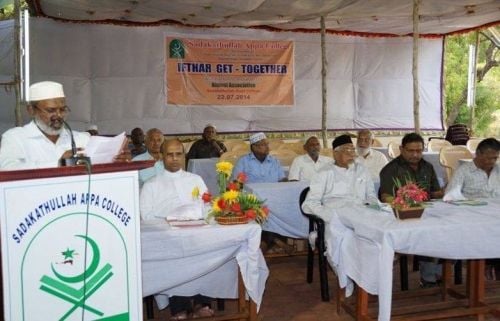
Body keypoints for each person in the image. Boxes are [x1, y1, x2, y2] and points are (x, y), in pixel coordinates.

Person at [140, 139, 213, 320]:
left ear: (184, 156)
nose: (174, 159)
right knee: (175, 257)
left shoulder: (195, 180)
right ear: (161, 158)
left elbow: (207, 207)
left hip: (195, 234)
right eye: (170, 155)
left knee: (206, 252)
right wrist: (170, 219)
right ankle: (180, 307)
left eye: (178, 154)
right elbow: (146, 216)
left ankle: (201, 303)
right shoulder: (151, 185)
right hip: (166, 237)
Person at [379, 132, 444, 287]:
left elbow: (434, 193)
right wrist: (403, 203)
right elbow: (385, 197)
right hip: (402, 214)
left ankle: (441, 273)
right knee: (428, 232)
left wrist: (446, 191)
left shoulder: (427, 167)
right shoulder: (390, 169)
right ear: (402, 149)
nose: (416, 154)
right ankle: (429, 277)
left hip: (427, 211)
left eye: (419, 151)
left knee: (447, 228)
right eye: (411, 151)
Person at [0, 81, 88, 169]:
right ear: (31, 110)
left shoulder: (80, 139)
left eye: (62, 109)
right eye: (51, 110)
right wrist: (58, 164)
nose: (58, 115)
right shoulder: (15, 138)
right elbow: (6, 168)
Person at [302, 134, 377, 223]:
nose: (352, 153)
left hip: (364, 214)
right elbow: (310, 204)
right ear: (336, 153)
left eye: (353, 149)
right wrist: (332, 217)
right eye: (347, 149)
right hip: (338, 221)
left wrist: (371, 209)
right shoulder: (323, 173)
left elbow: (371, 196)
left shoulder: (362, 170)